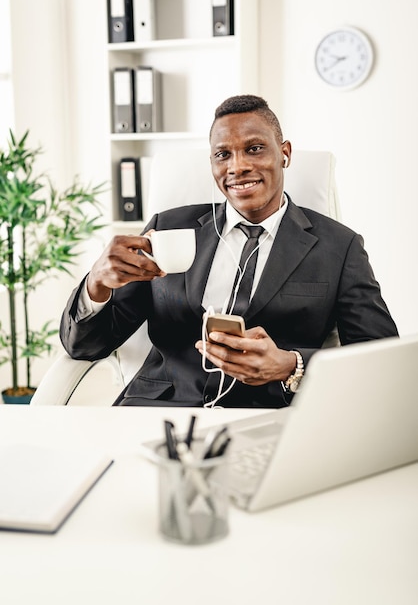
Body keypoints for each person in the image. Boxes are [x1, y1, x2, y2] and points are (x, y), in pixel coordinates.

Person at [60, 95, 398, 408]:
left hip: (268, 416)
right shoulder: (166, 229)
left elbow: (379, 360)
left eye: (254, 149)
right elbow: (85, 346)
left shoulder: (340, 247)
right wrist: (97, 286)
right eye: (223, 154)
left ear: (285, 153)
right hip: (157, 410)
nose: (237, 167)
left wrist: (290, 365)